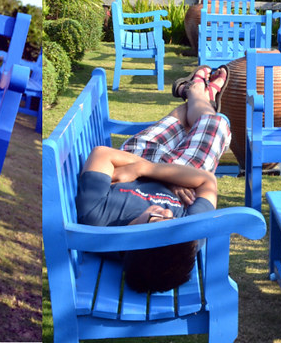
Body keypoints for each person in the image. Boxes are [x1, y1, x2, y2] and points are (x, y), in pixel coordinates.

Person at [76, 65, 232, 293]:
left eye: (156, 218)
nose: (166, 212)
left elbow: (101, 155)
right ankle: (199, 93)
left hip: (135, 157)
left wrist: (142, 167)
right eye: (173, 219)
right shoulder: (187, 237)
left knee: (182, 119)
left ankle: (196, 91)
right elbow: (208, 182)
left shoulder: (98, 219)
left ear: (133, 242)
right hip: (182, 173)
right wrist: (158, 174)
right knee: (216, 123)